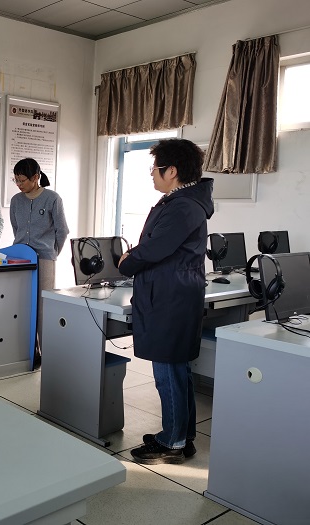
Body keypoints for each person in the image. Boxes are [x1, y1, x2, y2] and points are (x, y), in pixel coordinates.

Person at [117, 138, 214, 465]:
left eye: (154, 168)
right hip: (174, 292)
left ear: (171, 171)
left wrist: (127, 261)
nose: (152, 174)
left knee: (168, 371)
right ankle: (182, 435)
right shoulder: (183, 201)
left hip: (170, 297)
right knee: (178, 369)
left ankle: (172, 442)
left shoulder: (182, 206)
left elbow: (156, 248)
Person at [10, 158, 69, 355]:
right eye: (16, 180)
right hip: (21, 259)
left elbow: (62, 231)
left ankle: (47, 353)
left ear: (35, 177)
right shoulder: (16, 201)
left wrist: (52, 252)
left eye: (22, 180)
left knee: (44, 308)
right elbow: (16, 228)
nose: (19, 185)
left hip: (44, 258)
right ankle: (29, 353)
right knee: (23, 305)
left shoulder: (52, 198)